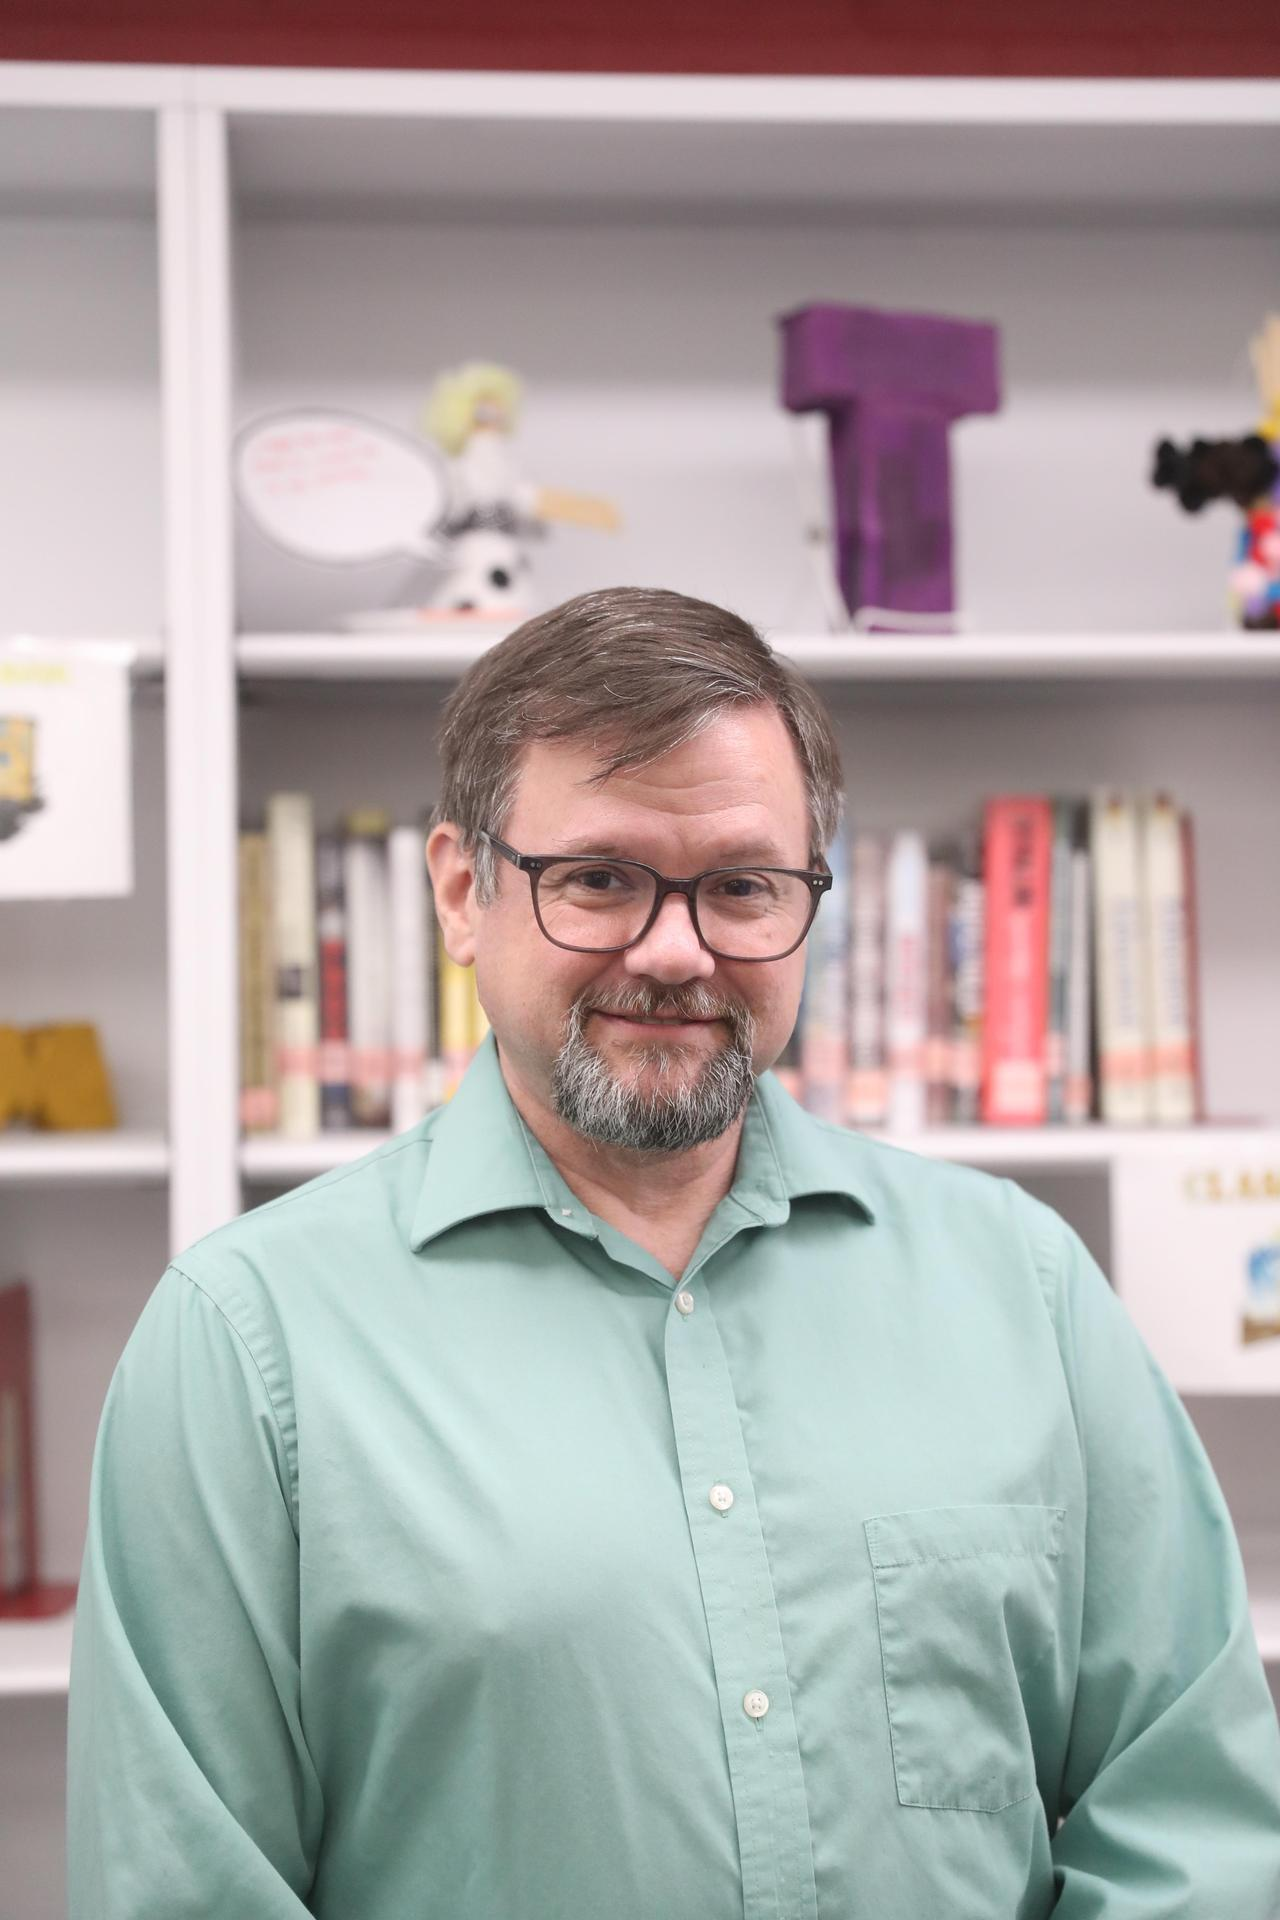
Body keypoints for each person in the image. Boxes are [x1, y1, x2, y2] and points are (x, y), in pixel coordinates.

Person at [67, 586, 1280, 1918]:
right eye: (599, 880)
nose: (675, 950)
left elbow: (1192, 1822)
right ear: (463, 892)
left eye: (742, 887)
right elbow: (184, 1888)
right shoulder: (247, 1346)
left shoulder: (1024, 1289)